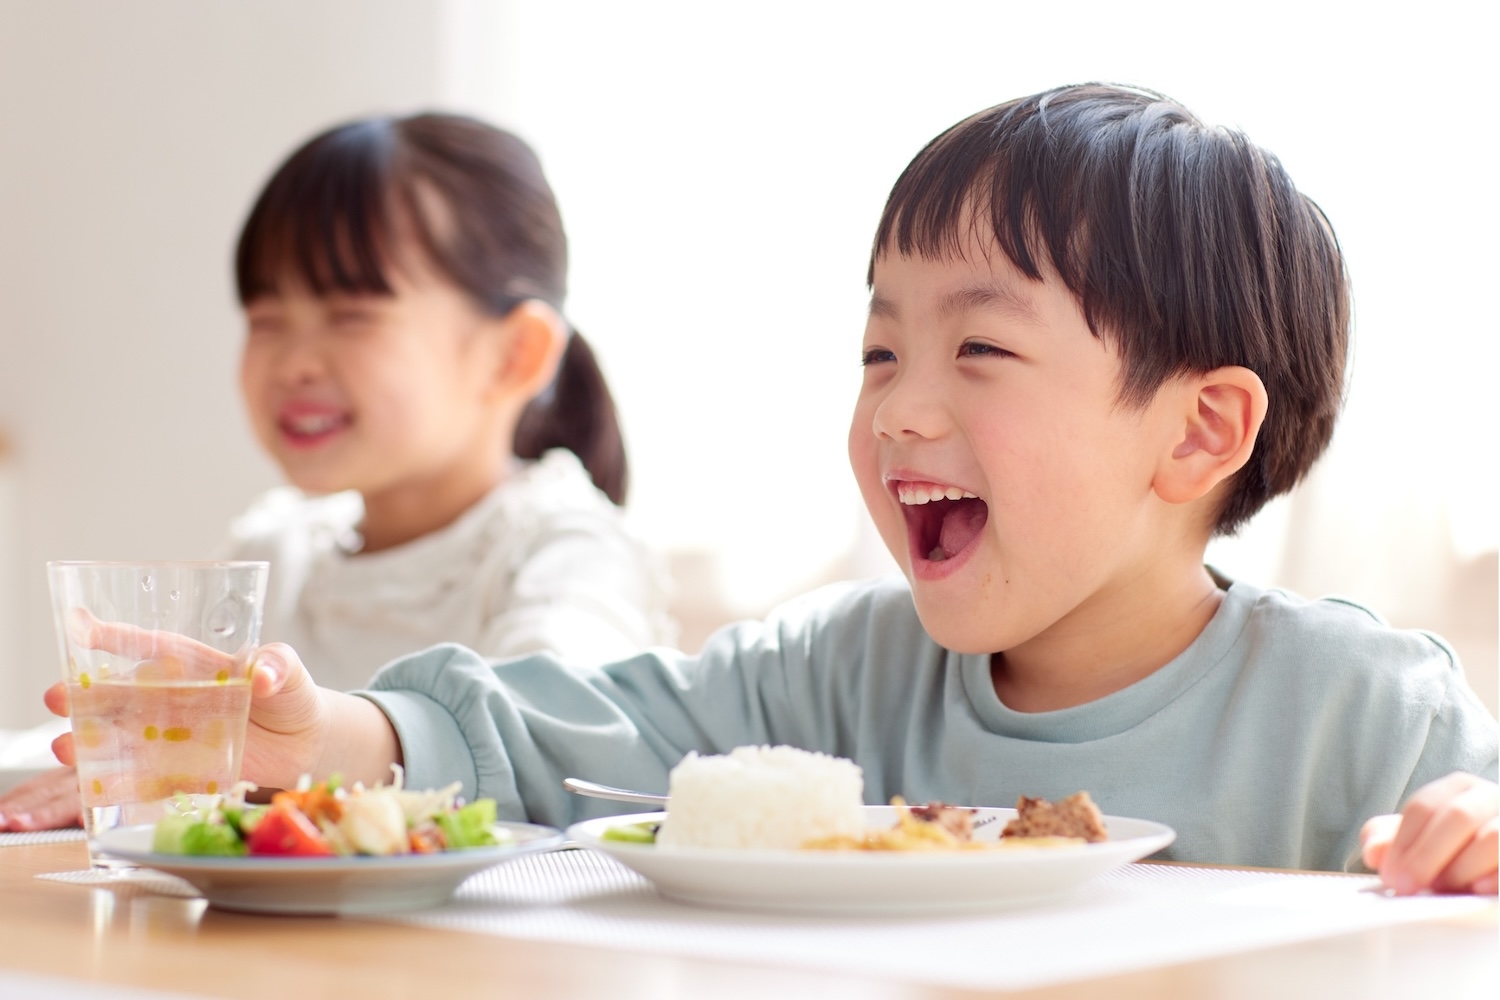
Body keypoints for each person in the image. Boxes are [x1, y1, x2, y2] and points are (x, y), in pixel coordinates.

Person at [38, 84, 1500, 894]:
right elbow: (557, 741)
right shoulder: (834, 672)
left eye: (981, 348)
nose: (897, 406)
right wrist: (324, 735)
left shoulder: (1366, 710)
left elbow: (1476, 844)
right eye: (877, 350)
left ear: (1198, 434)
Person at [0, 113, 674, 831]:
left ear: (514, 355)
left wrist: (220, 770)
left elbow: (543, 755)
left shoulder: (567, 550)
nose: (294, 362)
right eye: (265, 319)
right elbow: (151, 739)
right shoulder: (280, 548)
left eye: (351, 315)